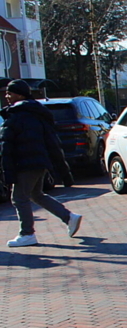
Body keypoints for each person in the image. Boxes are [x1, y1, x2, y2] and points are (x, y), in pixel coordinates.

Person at [0, 80, 82, 247]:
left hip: (25, 163)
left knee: (19, 198)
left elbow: (7, 143)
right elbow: (51, 140)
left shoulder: (16, 115)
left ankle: (27, 234)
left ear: (20, 95)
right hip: (39, 161)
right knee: (36, 194)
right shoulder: (37, 113)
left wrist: (7, 167)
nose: (7, 96)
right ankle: (69, 217)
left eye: (10, 93)